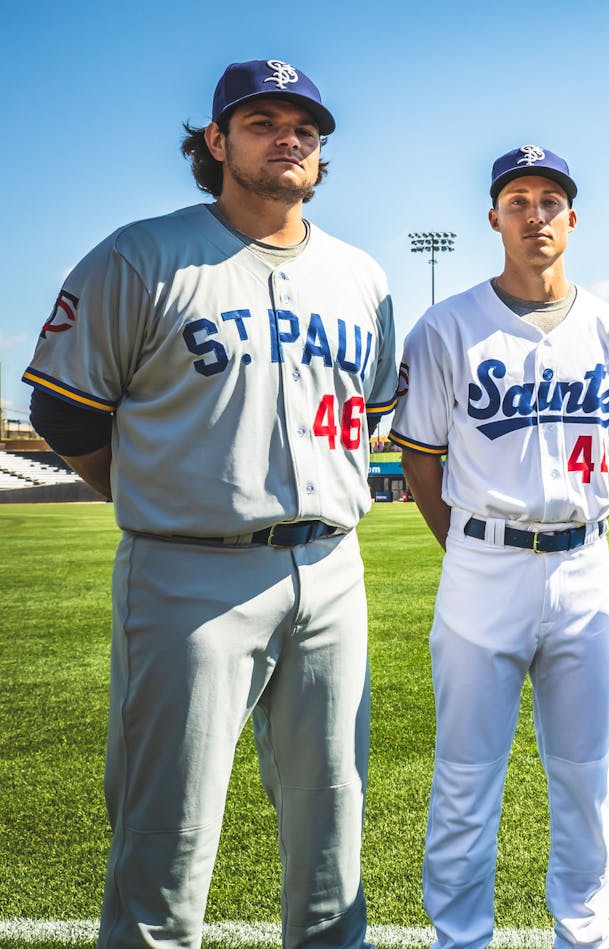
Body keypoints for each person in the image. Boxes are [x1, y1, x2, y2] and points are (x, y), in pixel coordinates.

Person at [22, 59, 396, 948]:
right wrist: (162, 491)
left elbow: (371, 411)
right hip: (190, 575)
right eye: (263, 121)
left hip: (333, 571)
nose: (290, 138)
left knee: (334, 827)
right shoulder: (139, 254)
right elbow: (63, 408)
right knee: (167, 838)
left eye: (306, 126)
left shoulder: (363, 275)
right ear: (217, 140)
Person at [391, 144, 609, 949]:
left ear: (571, 218)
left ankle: (585, 931)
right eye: (518, 199)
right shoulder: (446, 325)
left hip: (583, 565)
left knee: (582, 776)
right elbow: (421, 460)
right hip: (482, 563)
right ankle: (460, 936)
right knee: (466, 777)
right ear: (494, 216)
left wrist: (580, 519)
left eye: (549, 200)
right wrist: (473, 545)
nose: (534, 214)